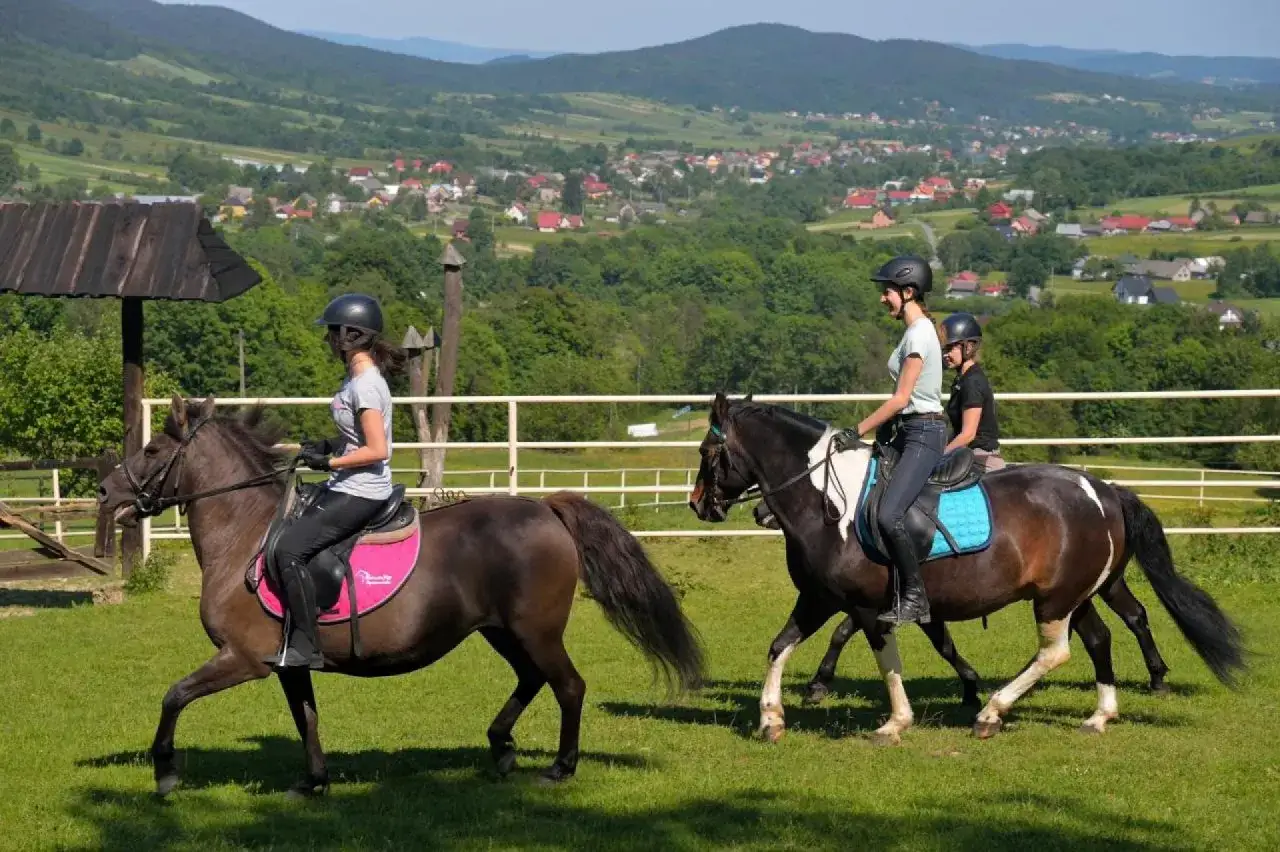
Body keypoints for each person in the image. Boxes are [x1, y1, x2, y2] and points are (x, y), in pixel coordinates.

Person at [264, 292, 406, 670]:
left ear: (350, 335)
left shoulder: (366, 386)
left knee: (288, 550)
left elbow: (378, 449)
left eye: (332, 333)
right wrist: (327, 445)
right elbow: (358, 435)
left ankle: (307, 646)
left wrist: (330, 461)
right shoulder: (354, 379)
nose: (327, 340)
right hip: (347, 483)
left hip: (362, 490)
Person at [832, 255, 945, 625]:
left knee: (889, 512)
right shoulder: (914, 332)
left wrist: (856, 431)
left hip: (924, 433)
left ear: (908, 292)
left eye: (888, 291)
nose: (883, 298)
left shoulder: (919, 334)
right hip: (908, 430)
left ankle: (916, 597)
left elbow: (900, 398)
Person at [939, 312, 1005, 471]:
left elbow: (968, 434)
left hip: (980, 459)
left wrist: (940, 456)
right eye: (944, 349)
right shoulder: (962, 379)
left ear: (968, 347)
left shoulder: (972, 382)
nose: (945, 354)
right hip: (968, 454)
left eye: (950, 348)